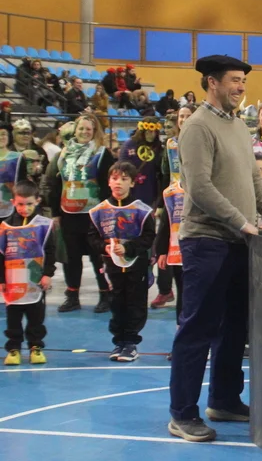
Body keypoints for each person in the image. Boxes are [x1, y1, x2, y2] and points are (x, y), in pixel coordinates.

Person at [167, 55, 262, 443]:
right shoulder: (197, 127)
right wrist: (242, 221)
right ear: (212, 82)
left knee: (235, 327)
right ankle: (182, 414)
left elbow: (255, 178)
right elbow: (199, 188)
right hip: (207, 242)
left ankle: (224, 400)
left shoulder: (238, 126)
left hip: (240, 241)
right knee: (198, 328)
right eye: (234, 80)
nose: (241, 87)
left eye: (243, 81)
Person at [44, 113, 114, 314]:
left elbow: (107, 186)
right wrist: (56, 213)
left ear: (95, 132)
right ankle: (72, 296)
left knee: (98, 257)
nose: (84, 132)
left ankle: (105, 295)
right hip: (69, 214)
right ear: (75, 131)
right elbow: (56, 184)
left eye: (88, 129)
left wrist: (106, 212)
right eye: (81, 128)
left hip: (94, 216)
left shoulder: (102, 154)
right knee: (71, 257)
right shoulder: (63, 154)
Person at [87, 161, 156, 362]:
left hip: (137, 266)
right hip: (112, 267)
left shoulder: (142, 211)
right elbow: (92, 237)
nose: (118, 183)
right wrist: (105, 248)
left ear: (132, 183)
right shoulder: (99, 211)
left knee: (135, 303)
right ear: (108, 181)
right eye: (115, 178)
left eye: (124, 179)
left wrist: (128, 248)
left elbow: (149, 237)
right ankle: (119, 342)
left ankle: (131, 343)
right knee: (116, 303)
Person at [1, 180, 56, 366]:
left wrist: (48, 274)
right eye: (20, 204)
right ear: (13, 202)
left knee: (36, 317)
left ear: (38, 201)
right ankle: (14, 348)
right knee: (13, 317)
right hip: (13, 281)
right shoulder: (5, 227)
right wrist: (1, 279)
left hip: (35, 279)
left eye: (29, 204)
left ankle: (36, 346)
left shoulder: (44, 225)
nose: (25, 208)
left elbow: (50, 251)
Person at [154, 106, 192, 319]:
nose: (184, 119)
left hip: (196, 202)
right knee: (172, 255)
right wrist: (161, 203)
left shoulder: (204, 142)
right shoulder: (170, 145)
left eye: (188, 116)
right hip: (174, 203)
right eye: (181, 116)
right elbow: (164, 176)